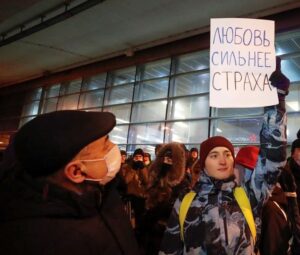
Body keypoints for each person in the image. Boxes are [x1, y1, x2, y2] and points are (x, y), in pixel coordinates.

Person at [159, 57, 289, 255]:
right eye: (214, 155)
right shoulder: (186, 202)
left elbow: (273, 159)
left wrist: (277, 102)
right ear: (202, 165)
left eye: (227, 154)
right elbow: (170, 249)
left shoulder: (248, 195)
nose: (223, 160)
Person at [0, 110, 139, 255]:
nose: (113, 147)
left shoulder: (102, 193)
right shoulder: (39, 242)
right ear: (76, 172)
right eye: (105, 145)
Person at [143, 142, 190, 255]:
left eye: (171, 159)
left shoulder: (182, 184)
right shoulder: (156, 178)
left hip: (170, 234)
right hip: (151, 233)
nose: (167, 162)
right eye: (166, 158)